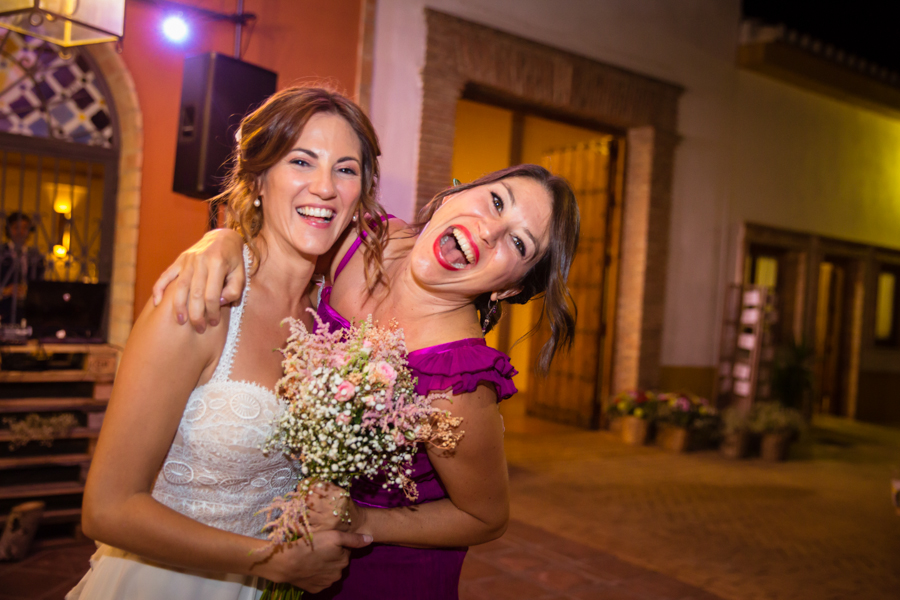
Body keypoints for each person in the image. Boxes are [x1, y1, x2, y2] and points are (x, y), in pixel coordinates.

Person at [152, 163, 581, 599]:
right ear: (455, 194)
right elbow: (274, 247)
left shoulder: (458, 382)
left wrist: (361, 520)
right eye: (495, 201)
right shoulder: (365, 240)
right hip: (279, 550)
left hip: (382, 577)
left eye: (518, 242)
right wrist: (223, 242)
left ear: (509, 288)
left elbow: (486, 517)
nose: (490, 230)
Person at [67, 87, 384, 600]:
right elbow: (106, 509)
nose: (325, 187)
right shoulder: (202, 303)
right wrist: (274, 560)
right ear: (258, 179)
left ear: (360, 195)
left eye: (345, 170)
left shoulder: (336, 320)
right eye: (302, 161)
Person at [0, 212, 45, 325]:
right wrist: (4, 291)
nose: (21, 232)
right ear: (9, 229)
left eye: (25, 228)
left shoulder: (36, 257)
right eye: (16, 227)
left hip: (27, 314)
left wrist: (28, 292)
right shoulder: (1, 253)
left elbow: (40, 286)